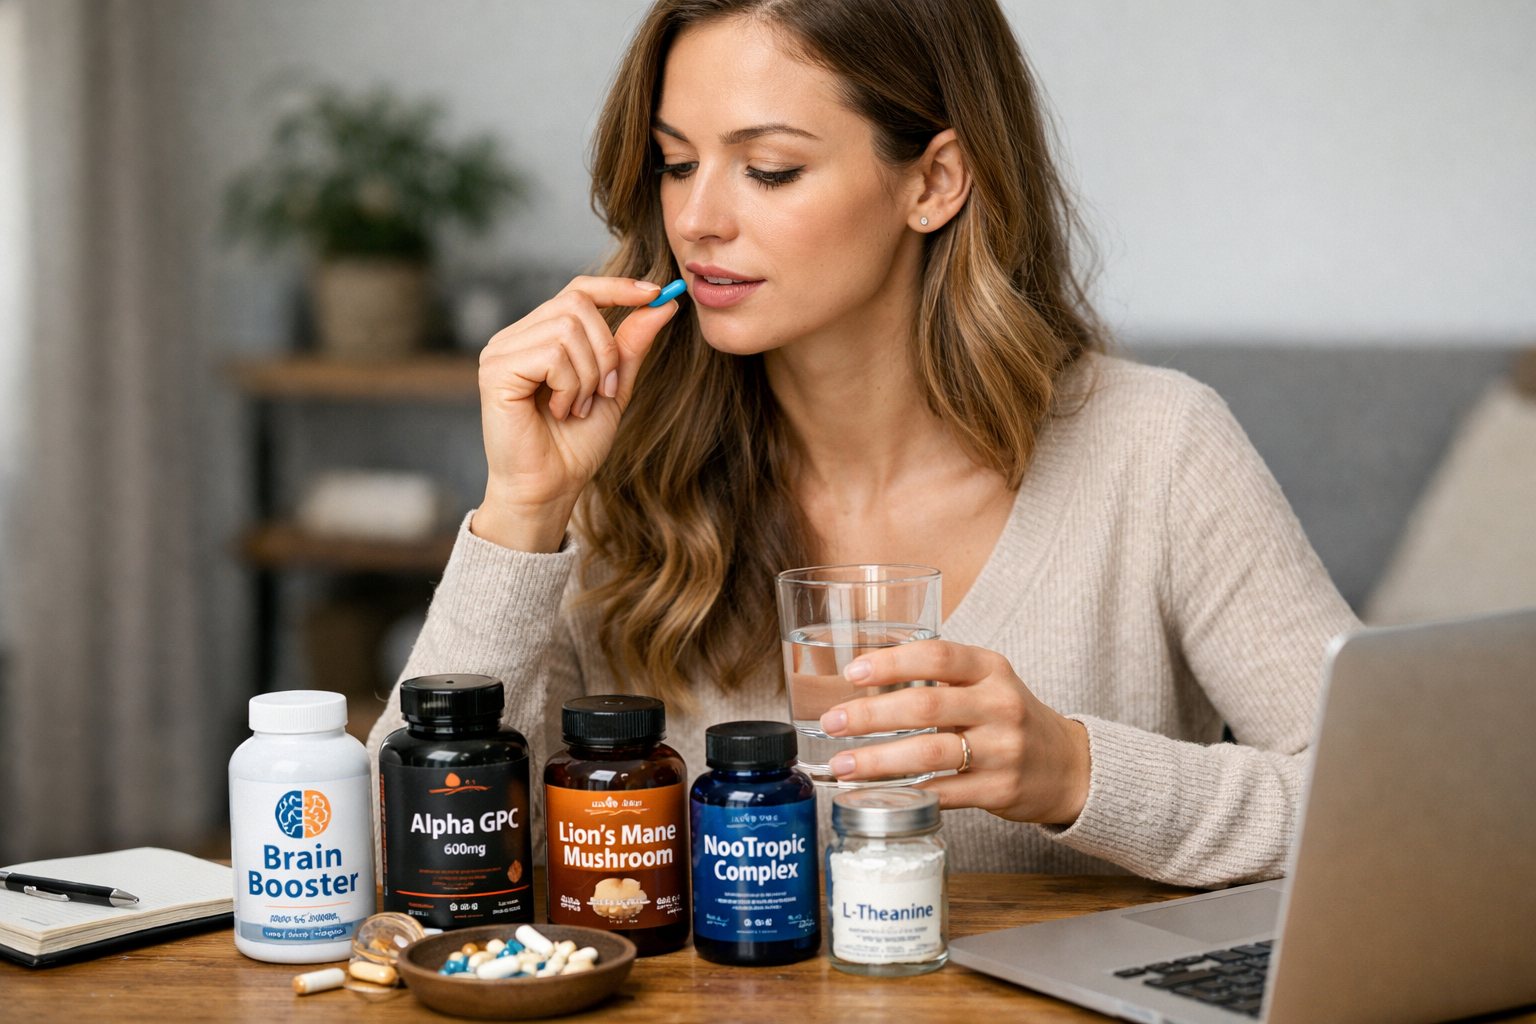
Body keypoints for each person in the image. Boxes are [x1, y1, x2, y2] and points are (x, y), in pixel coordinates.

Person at [366, 0, 1357, 887]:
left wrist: (1075, 771)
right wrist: (523, 514)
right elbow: (392, 857)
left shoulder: (1157, 449)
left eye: (769, 168)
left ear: (934, 181)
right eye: (676, 162)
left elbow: (1386, 810)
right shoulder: (619, 468)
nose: (697, 219)